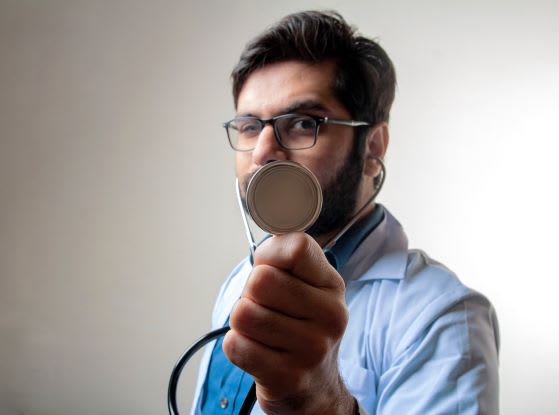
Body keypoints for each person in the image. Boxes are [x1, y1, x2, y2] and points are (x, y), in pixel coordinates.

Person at [191, 10, 499, 415]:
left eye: (302, 123)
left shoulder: (442, 318)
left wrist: (324, 403)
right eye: (250, 127)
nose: (263, 152)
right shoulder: (240, 282)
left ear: (373, 149)